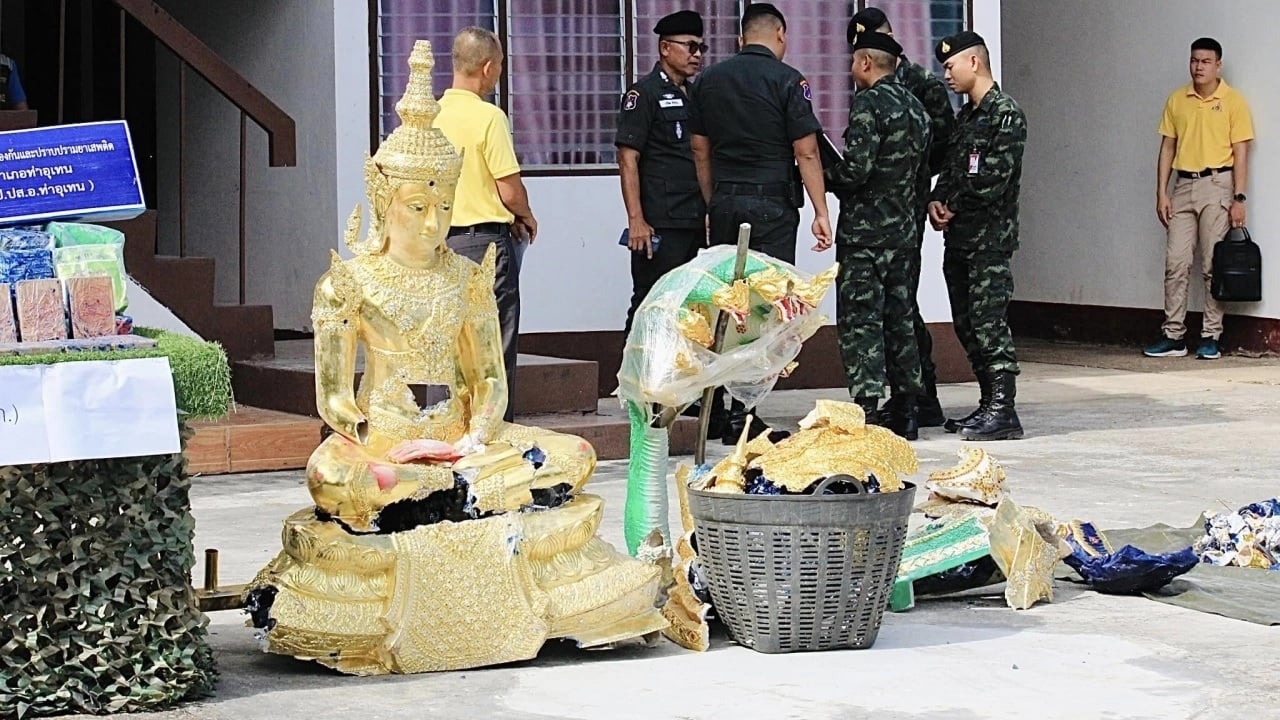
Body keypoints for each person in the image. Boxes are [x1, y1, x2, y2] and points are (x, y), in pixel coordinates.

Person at [689, 2, 834, 444]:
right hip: (772, 204)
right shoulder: (789, 81)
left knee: (725, 303)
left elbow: (699, 150)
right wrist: (821, 210)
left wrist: (716, 201)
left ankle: (715, 404)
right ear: (781, 36)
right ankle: (746, 412)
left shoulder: (708, 81)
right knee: (764, 306)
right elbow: (806, 152)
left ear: (740, 39)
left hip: (727, 200)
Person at [615, 11, 724, 435]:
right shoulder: (643, 95)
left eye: (702, 48)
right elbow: (629, 158)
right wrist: (637, 219)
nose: (697, 55)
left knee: (691, 308)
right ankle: (636, 388)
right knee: (651, 303)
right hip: (659, 222)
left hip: (693, 218)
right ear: (665, 49)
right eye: (690, 47)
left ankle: (680, 390)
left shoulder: (695, 95)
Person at [847, 7, 956, 428]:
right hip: (894, 216)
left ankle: (918, 396)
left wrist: (927, 191)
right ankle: (908, 401)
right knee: (895, 309)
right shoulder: (877, 90)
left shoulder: (918, 86)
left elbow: (944, 144)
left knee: (896, 309)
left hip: (900, 214)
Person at [825, 31, 930, 440]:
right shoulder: (917, 108)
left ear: (866, 63)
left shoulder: (869, 104)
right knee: (900, 320)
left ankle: (866, 406)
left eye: (853, 61)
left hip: (866, 237)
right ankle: (906, 408)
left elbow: (856, 171)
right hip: (904, 235)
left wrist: (822, 173)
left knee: (860, 321)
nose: (851, 70)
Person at [927, 31, 1026, 441]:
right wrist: (936, 199)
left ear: (974, 63)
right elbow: (951, 169)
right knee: (967, 324)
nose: (946, 74)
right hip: (961, 239)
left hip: (989, 240)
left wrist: (955, 204)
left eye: (951, 66)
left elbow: (993, 180)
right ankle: (988, 404)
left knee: (989, 324)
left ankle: (1004, 410)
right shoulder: (966, 117)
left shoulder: (1006, 114)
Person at [435, 27, 536, 423]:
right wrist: (525, 215)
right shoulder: (489, 117)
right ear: (489, 68)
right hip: (485, 246)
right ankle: (494, 431)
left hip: (441, 247)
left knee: (455, 345)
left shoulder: (431, 116)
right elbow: (508, 190)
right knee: (493, 344)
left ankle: (457, 424)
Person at [1145, 37, 1253, 361]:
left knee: (1211, 264)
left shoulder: (1233, 101)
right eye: (1194, 60)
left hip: (1217, 184)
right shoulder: (1178, 100)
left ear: (1218, 64)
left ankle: (1211, 334)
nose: (1198, 67)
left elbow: (1241, 152)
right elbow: (1167, 147)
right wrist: (1162, 191)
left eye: (1205, 61)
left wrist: (1239, 197)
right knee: (1176, 262)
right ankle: (1173, 334)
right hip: (1183, 185)